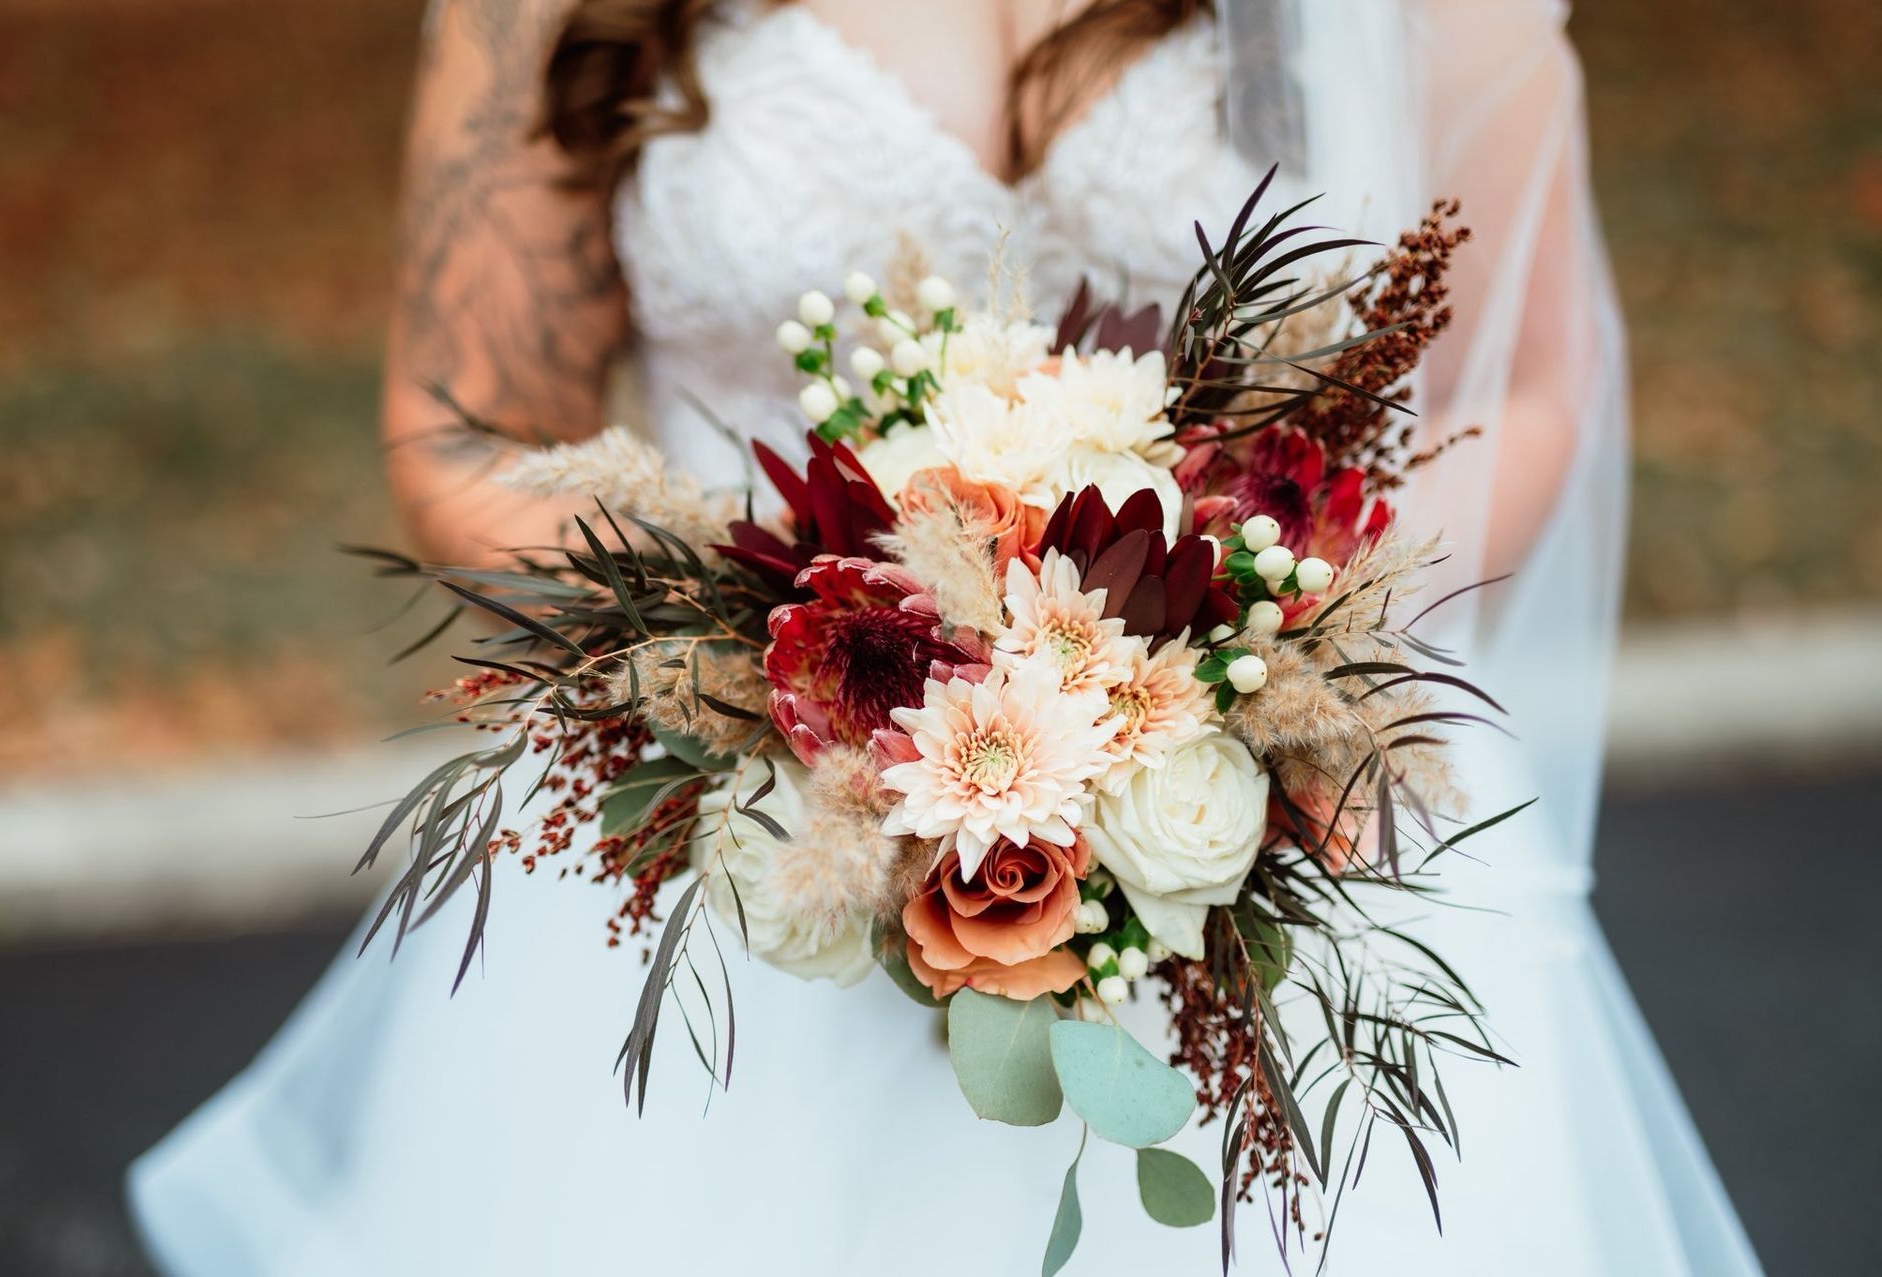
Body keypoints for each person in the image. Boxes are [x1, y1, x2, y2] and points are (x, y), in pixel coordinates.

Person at [130, 2, 1763, 1272]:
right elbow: (465, 421)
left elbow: (1518, 389)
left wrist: (1239, 663)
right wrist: (768, 660)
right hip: (743, 861)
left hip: (1254, 834)